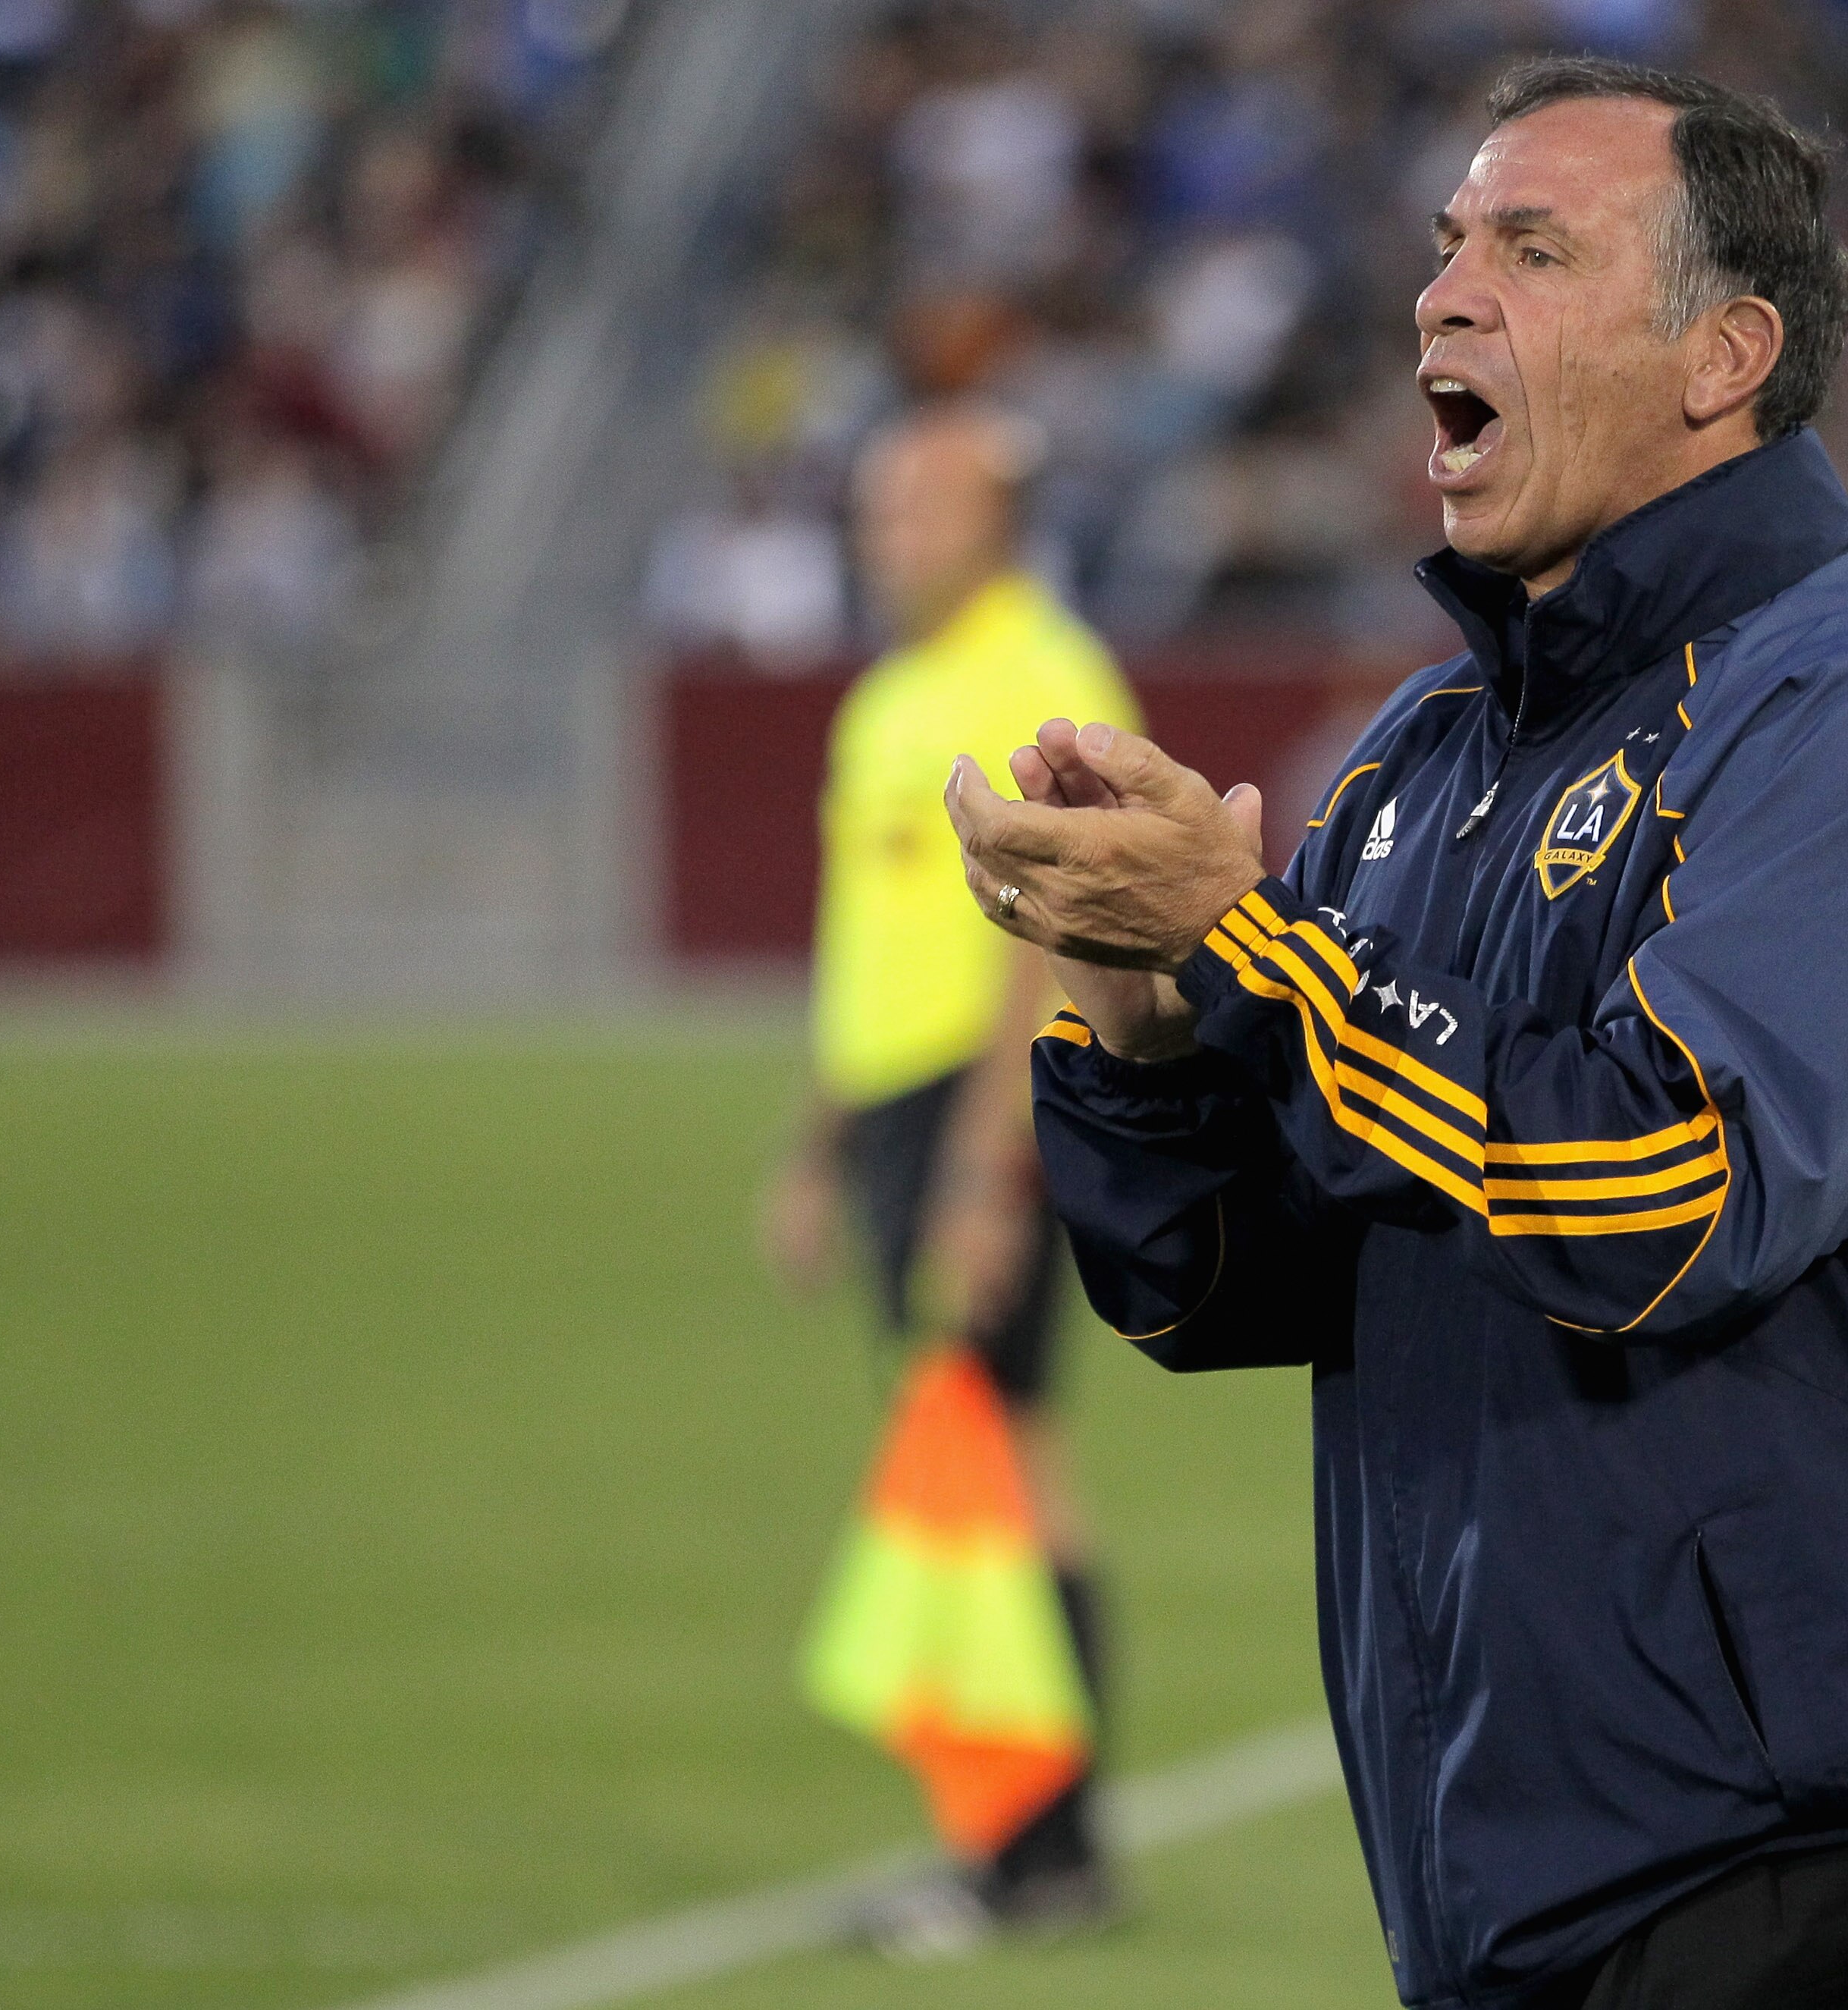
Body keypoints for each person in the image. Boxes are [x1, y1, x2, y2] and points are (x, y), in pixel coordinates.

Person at [945, 58, 1848, 2010]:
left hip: (1842, 1860)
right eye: (1443, 245)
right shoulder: (1424, 756)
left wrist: (1248, 944)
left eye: (1531, 246)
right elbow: (1219, 1281)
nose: (1441, 293)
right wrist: (1138, 1004)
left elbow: (1644, 1188)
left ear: (1722, 354)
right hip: (1522, 1871)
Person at [761, 400, 1134, 1942]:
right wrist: (817, 1146)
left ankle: (1024, 1850)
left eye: (917, 508)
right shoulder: (891, 697)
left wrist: (988, 1169)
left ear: (992, 519)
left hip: (986, 1121)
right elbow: (873, 948)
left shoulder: (1037, 677)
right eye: (877, 508)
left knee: (992, 1465)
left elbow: (1043, 948)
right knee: (984, 1457)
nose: (885, 533)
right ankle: (1039, 1847)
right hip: (902, 1120)